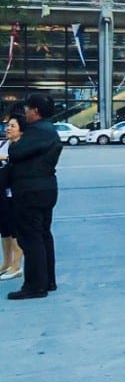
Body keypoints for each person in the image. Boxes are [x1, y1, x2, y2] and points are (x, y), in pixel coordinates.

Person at [6, 94, 63, 300]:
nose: (26, 113)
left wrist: (15, 143)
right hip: (46, 188)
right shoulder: (50, 130)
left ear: (35, 111)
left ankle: (35, 285)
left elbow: (17, 152)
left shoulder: (37, 131)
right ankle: (48, 280)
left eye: (28, 109)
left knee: (31, 238)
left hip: (30, 190)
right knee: (43, 235)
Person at [0, 114, 25, 280]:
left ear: (21, 131)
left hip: (16, 193)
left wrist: (5, 158)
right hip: (2, 192)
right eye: (8, 125)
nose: (8, 128)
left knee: (16, 229)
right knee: (4, 229)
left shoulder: (22, 147)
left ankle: (16, 265)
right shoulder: (3, 144)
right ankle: (6, 262)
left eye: (13, 126)